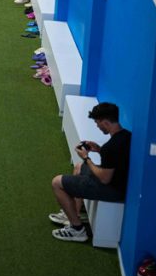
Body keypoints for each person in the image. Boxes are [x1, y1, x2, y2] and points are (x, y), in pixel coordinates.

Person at [50, 103, 132, 243]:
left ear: (105, 122)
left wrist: (86, 158)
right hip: (119, 181)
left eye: (97, 123)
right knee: (78, 167)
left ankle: (77, 230)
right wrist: (99, 150)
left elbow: (104, 178)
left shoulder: (111, 147)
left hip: (112, 189)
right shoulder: (126, 136)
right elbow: (115, 159)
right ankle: (73, 215)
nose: (97, 126)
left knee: (56, 182)